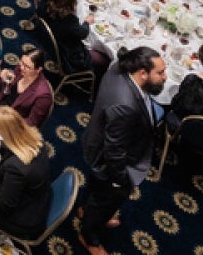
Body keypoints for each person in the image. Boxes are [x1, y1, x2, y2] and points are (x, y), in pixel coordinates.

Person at [79, 46, 167, 255]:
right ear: (142, 73)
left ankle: (85, 210)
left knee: (95, 187)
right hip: (111, 161)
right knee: (107, 198)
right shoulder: (126, 105)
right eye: (160, 73)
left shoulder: (119, 67)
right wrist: (119, 180)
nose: (166, 76)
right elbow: (115, 149)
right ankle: (89, 236)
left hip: (97, 141)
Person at [0, 106, 54, 240]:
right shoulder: (36, 140)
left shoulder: (16, 168)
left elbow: (5, 205)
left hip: (23, 218)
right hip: (38, 196)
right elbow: (17, 144)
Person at [40, 0, 110, 76]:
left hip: (52, 47)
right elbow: (83, 33)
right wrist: (87, 22)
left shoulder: (45, 6)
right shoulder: (70, 21)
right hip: (69, 58)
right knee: (107, 60)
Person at [0, 48, 54, 129]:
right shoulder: (20, 69)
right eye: (22, 62)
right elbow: (7, 92)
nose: (21, 67)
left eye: (27, 66)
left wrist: (6, 120)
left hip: (13, 124)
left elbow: (32, 123)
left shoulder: (43, 95)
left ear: (38, 70)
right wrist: (5, 80)